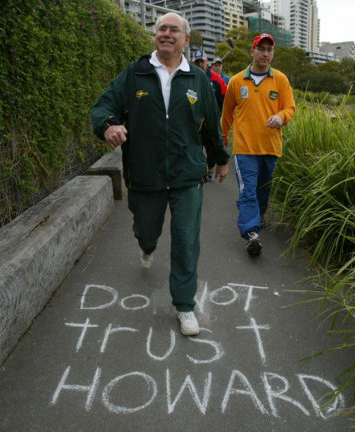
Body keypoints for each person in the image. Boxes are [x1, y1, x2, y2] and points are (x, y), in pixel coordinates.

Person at [91, 12, 229, 336]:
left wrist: (221, 159)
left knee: (185, 241)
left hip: (187, 176)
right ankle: (146, 245)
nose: (166, 33)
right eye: (161, 29)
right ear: (155, 36)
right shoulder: (136, 73)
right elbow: (104, 105)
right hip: (146, 175)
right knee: (146, 230)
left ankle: (184, 306)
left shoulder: (198, 80)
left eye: (173, 30)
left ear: (186, 39)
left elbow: (211, 126)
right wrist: (108, 125)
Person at [221, 33, 296, 256]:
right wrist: (223, 139)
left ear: (272, 53)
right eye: (260, 48)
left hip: (271, 147)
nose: (265, 53)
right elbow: (227, 114)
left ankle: (258, 214)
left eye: (269, 50)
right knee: (248, 190)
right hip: (244, 148)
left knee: (264, 188)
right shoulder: (236, 81)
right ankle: (251, 233)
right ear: (252, 51)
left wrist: (281, 117)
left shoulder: (280, 79)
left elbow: (290, 108)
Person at [192, 49, 227, 182]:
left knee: (211, 148)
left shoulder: (216, 79)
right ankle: (197, 171)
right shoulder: (188, 77)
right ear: (193, 63)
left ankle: (209, 168)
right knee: (195, 147)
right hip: (194, 123)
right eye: (197, 62)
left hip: (211, 122)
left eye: (202, 61)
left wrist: (221, 116)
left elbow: (225, 99)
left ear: (207, 62)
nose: (200, 64)